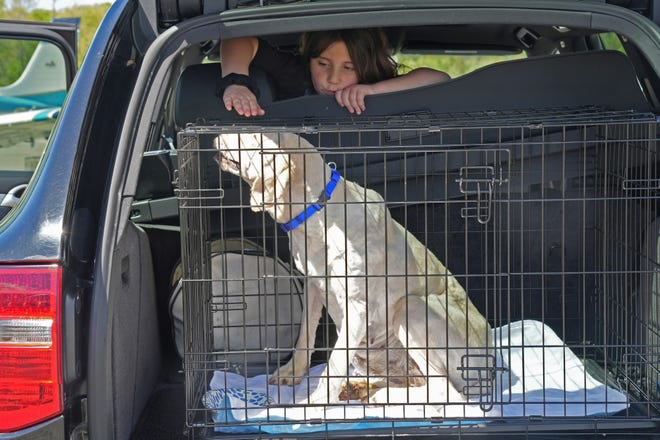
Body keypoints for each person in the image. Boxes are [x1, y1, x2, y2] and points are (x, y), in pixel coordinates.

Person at [219, 28, 450, 117]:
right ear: (308, 59)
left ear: (366, 67)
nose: (333, 79)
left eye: (348, 68)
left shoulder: (376, 84)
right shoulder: (296, 73)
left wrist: (373, 90)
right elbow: (238, 38)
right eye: (322, 64)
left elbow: (439, 79)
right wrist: (238, 82)